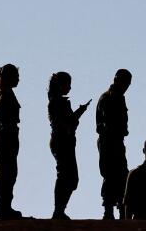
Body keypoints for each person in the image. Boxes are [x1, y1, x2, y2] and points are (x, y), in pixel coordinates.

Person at [48, 71, 91, 220]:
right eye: (68, 84)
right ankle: (58, 210)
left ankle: (59, 210)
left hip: (65, 141)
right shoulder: (56, 102)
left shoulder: (59, 101)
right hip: (62, 142)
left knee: (70, 178)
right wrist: (73, 120)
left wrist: (79, 112)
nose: (70, 88)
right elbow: (62, 123)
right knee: (66, 177)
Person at [96, 68, 132, 219]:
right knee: (111, 174)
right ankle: (109, 210)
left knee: (121, 175)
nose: (126, 85)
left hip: (115, 140)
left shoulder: (117, 97)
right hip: (109, 141)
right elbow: (107, 124)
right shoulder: (109, 98)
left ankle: (119, 208)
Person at [0, 64, 22, 218]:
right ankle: (3, 207)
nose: (18, 79)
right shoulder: (6, 95)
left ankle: (4, 205)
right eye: (16, 76)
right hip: (6, 135)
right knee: (7, 173)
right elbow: (6, 118)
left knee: (4, 172)